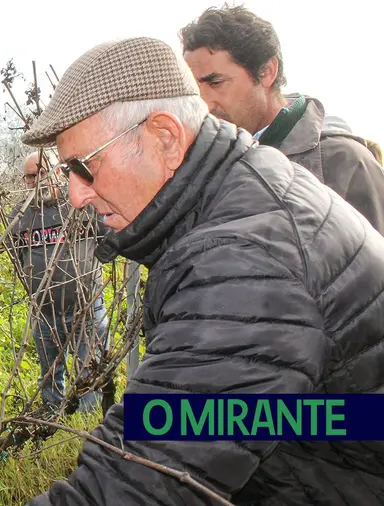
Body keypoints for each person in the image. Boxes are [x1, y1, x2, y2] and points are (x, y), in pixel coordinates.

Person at [20, 37, 384, 505]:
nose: (76, 194)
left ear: (165, 136)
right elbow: (199, 418)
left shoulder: (242, 257)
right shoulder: (242, 185)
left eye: (85, 167)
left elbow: (133, 487)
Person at [180, 5, 384, 233]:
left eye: (216, 83)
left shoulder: (344, 161)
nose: (204, 102)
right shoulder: (200, 164)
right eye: (194, 88)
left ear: (267, 71)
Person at [8, 152, 108, 414]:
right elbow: (17, 255)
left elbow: (108, 237)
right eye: (30, 176)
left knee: (90, 371)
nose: (37, 181)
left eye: (43, 172)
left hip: (87, 307)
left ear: (58, 172)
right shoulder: (19, 215)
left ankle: (87, 422)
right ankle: (53, 416)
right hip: (46, 310)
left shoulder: (81, 204)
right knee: (50, 373)